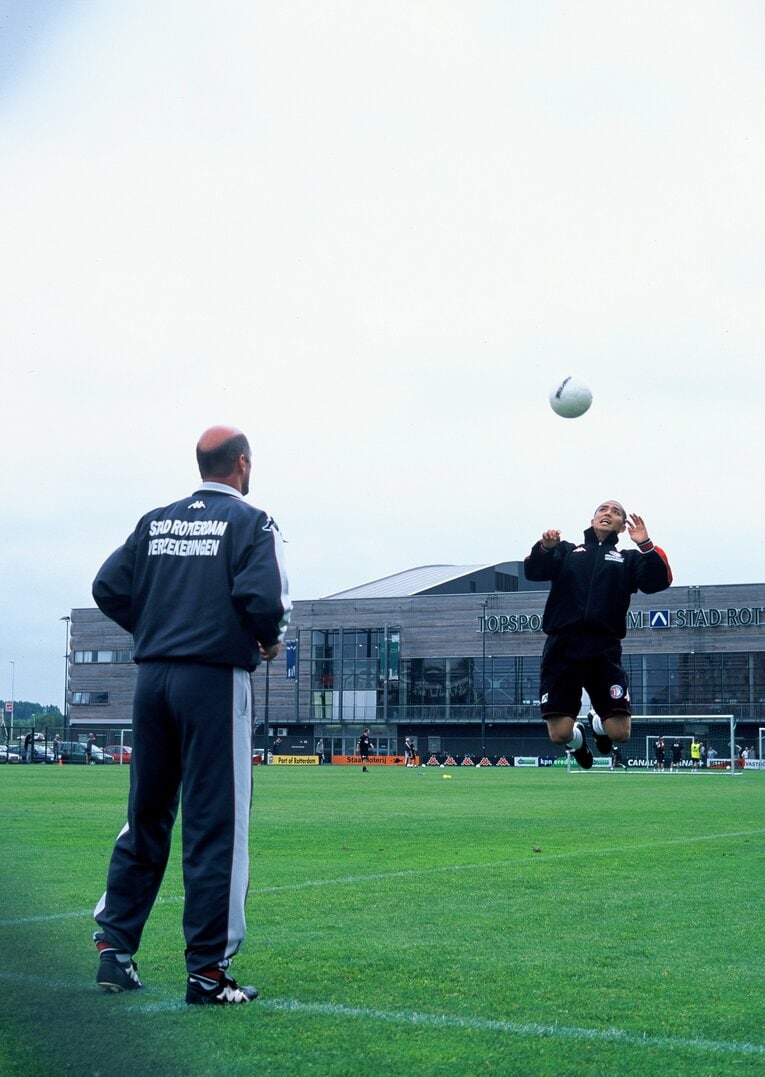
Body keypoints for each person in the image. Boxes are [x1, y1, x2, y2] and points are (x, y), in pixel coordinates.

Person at [90, 425, 291, 1005]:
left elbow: (107, 586)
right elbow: (267, 601)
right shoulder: (253, 522)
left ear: (200, 465)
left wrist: (158, 627)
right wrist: (267, 640)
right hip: (214, 681)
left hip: (153, 680)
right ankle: (208, 972)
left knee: (146, 815)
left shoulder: (155, 522)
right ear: (243, 464)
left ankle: (114, 948)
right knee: (216, 823)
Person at [524, 501, 672, 769]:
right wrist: (545, 548)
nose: (608, 514)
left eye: (616, 512)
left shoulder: (628, 559)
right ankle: (579, 740)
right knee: (559, 734)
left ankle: (598, 723)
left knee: (620, 733)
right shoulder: (567, 551)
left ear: (622, 526)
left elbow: (659, 581)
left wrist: (645, 544)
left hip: (603, 649)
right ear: (592, 520)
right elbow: (534, 571)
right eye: (603, 510)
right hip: (562, 648)